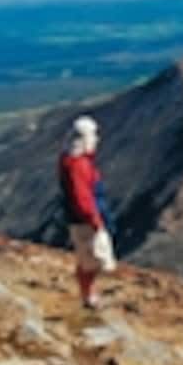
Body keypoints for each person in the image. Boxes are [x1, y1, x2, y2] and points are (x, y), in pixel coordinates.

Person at [58, 115, 117, 309]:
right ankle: (89, 297)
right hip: (85, 221)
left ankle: (89, 294)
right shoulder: (78, 165)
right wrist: (95, 220)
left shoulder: (71, 160)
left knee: (88, 259)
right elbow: (82, 197)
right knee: (91, 259)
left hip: (81, 218)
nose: (97, 139)